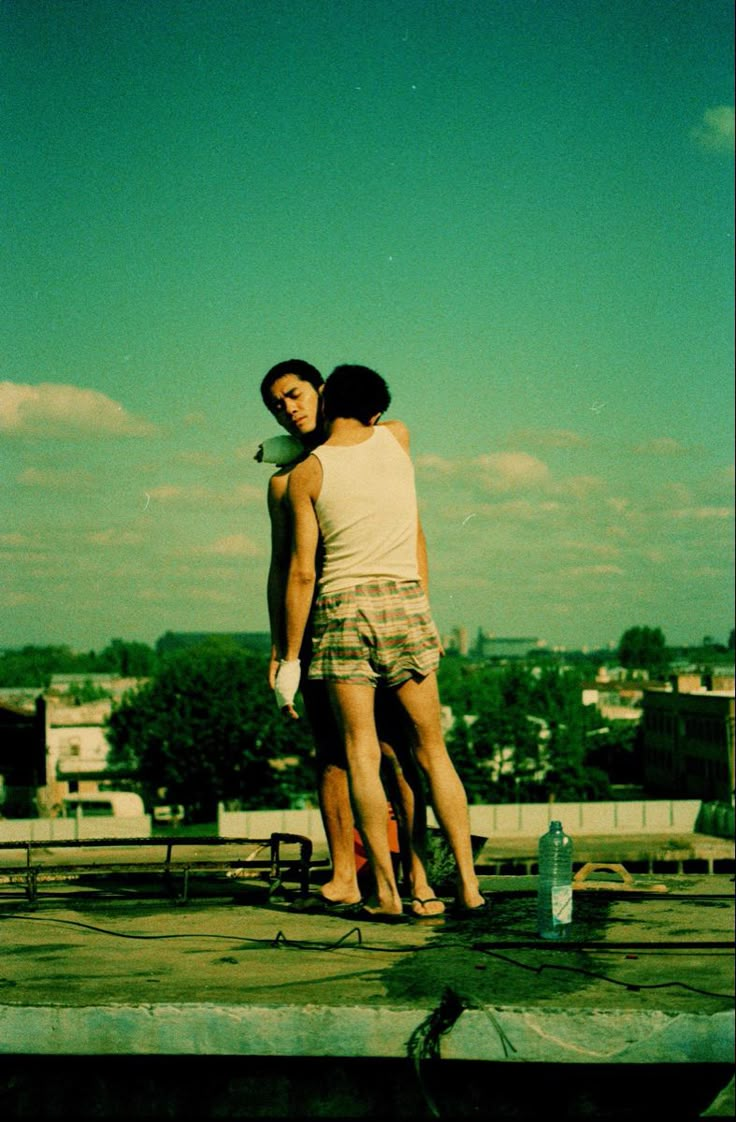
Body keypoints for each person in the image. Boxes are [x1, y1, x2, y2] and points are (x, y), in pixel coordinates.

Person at [275, 365, 486, 920]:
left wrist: (289, 660)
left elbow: (300, 573)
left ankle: (389, 895)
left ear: (325, 399)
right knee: (432, 752)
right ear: (372, 410)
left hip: (343, 609)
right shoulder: (398, 438)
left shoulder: (305, 475)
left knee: (361, 755)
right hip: (405, 601)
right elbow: (383, 425)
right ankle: (466, 886)